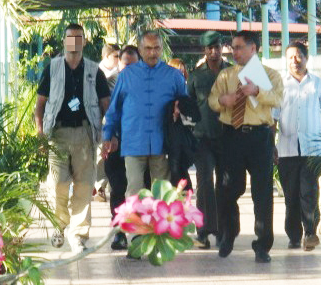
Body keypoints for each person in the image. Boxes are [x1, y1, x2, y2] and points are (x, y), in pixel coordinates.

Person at [34, 23, 111, 253]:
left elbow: (106, 105)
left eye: (79, 37)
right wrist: (39, 133)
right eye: (70, 37)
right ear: (65, 41)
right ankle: (59, 226)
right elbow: (40, 104)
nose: (75, 41)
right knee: (57, 184)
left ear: (84, 41)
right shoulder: (53, 68)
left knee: (84, 186)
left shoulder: (94, 70)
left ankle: (78, 235)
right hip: (57, 134)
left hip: (85, 134)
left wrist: (108, 134)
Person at [208, 30, 283, 263]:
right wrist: (223, 100)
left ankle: (262, 246)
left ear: (253, 49)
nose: (234, 51)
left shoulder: (270, 75)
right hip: (231, 136)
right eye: (233, 47)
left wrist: (257, 91)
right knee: (228, 188)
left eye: (239, 47)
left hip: (260, 136)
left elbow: (279, 99)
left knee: (262, 193)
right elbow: (212, 100)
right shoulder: (225, 76)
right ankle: (228, 234)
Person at [274, 41, 321, 251]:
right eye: (290, 57)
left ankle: (310, 233)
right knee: (291, 196)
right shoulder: (279, 86)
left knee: (309, 190)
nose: (295, 61)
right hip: (286, 150)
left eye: (299, 56)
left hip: (313, 150)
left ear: (306, 58)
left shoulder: (318, 85)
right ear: (286, 61)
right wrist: (271, 146)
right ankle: (294, 235)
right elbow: (273, 119)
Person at [102, 31, 187, 198]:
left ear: (162, 49)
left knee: (162, 194)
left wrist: (180, 108)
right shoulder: (126, 75)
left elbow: (187, 106)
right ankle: (136, 224)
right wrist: (108, 135)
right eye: (148, 48)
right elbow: (114, 109)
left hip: (162, 143)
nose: (152, 53)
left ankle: (158, 225)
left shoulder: (174, 75)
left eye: (156, 48)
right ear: (140, 50)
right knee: (134, 193)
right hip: (133, 142)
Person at [187, 31, 231, 249]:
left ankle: (223, 231)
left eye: (217, 47)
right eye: (209, 48)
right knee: (204, 185)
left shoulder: (232, 71)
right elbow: (188, 104)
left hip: (227, 136)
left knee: (225, 184)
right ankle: (203, 232)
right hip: (202, 138)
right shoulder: (196, 76)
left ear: (222, 47)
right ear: (204, 50)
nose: (214, 52)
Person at [105, 45, 140, 250]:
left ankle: (138, 232)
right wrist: (110, 136)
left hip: (139, 145)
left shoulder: (145, 83)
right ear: (119, 63)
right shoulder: (110, 83)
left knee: (137, 190)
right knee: (118, 189)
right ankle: (119, 233)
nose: (129, 68)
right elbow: (108, 111)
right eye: (126, 63)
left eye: (133, 64)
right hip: (116, 145)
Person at [94, 43, 121, 202]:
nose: (118, 59)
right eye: (115, 56)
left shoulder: (121, 73)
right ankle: (100, 187)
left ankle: (112, 185)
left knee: (114, 152)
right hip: (99, 120)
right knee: (100, 154)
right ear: (106, 56)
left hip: (115, 119)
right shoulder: (95, 72)